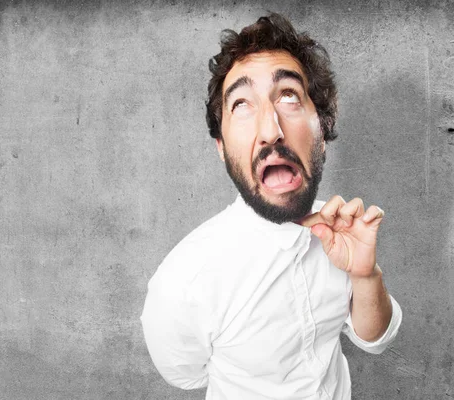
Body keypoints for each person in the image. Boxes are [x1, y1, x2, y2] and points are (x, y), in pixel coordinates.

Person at [140, 12, 402, 400]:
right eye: (242, 104)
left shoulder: (342, 236)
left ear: (323, 131)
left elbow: (374, 340)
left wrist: (364, 276)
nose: (270, 130)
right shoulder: (184, 282)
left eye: (289, 96)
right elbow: (184, 374)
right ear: (222, 148)